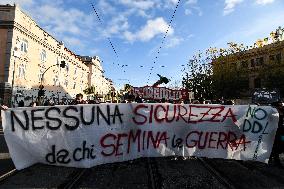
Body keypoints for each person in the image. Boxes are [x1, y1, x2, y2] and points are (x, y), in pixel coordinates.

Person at [269, 101, 284, 167]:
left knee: (280, 145)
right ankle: (275, 161)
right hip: (274, 132)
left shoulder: (282, 111)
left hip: (282, 132)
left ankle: (272, 159)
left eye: (281, 105)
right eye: (280, 105)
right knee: (275, 146)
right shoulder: (272, 113)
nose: (281, 106)